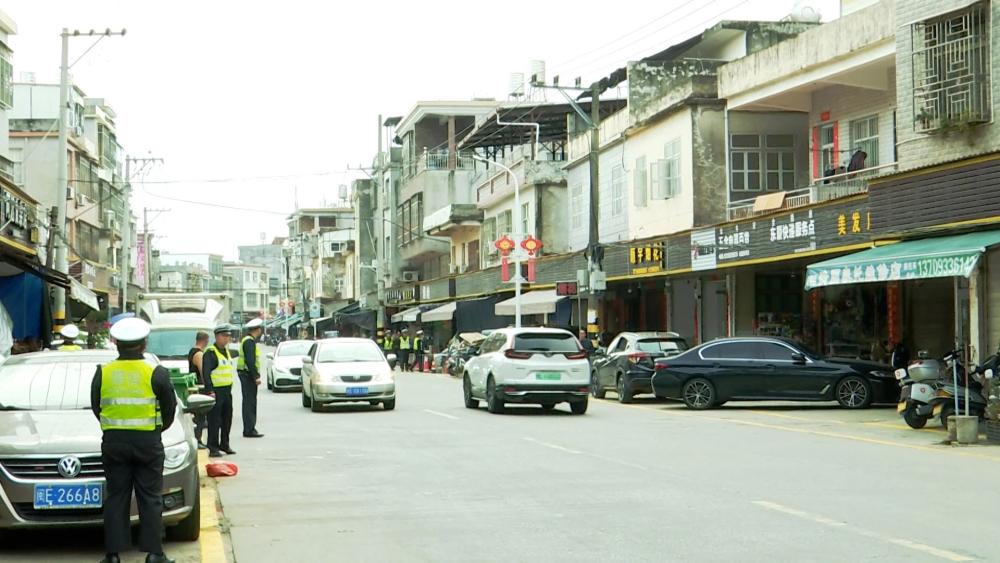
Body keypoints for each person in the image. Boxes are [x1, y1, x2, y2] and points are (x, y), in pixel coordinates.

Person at [91, 317, 177, 563]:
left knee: (116, 496)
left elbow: (97, 407)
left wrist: (115, 428)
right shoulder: (155, 372)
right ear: (144, 344)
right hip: (148, 442)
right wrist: (157, 430)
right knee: (150, 497)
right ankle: (154, 554)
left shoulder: (103, 371)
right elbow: (169, 409)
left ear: (116, 343)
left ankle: (113, 555)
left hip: (114, 443)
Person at [202, 324, 237, 458]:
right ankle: (213, 446)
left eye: (228, 336)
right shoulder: (211, 352)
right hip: (216, 391)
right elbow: (206, 373)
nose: (226, 339)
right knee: (214, 420)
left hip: (227, 391)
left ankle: (225, 444)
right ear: (217, 337)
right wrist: (209, 390)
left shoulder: (226, 351)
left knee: (227, 419)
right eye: (224, 336)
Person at [238, 319, 265, 439]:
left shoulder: (247, 340)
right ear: (258, 330)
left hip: (246, 375)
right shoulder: (249, 342)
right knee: (250, 403)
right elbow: (250, 361)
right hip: (248, 375)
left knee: (248, 402)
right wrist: (256, 377)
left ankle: (249, 428)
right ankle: (249, 429)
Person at [187, 331, 210, 449]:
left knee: (198, 416)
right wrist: (208, 386)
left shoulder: (192, 351)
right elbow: (203, 371)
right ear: (205, 340)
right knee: (200, 415)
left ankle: (197, 438)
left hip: (195, 387)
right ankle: (198, 439)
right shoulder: (199, 354)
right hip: (200, 387)